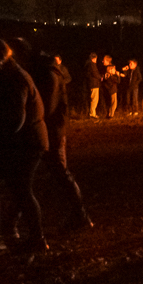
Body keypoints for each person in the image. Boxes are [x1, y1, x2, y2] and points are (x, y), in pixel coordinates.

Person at [0, 38, 49, 254]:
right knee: (2, 187)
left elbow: (15, 119)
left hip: (23, 144)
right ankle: (3, 236)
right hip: (16, 143)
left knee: (17, 189)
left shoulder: (15, 79)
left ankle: (29, 238)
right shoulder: (4, 76)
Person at [33, 51, 93, 232]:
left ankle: (80, 215)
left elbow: (48, 107)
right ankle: (78, 215)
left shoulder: (49, 76)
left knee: (60, 173)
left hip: (53, 131)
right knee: (55, 174)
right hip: (52, 129)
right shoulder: (50, 73)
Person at [84, 53, 102, 118]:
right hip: (94, 84)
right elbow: (95, 73)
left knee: (93, 98)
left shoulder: (87, 64)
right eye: (96, 59)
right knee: (95, 99)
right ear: (93, 58)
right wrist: (101, 77)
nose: (96, 60)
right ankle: (92, 113)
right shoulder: (92, 64)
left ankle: (92, 112)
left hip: (91, 84)